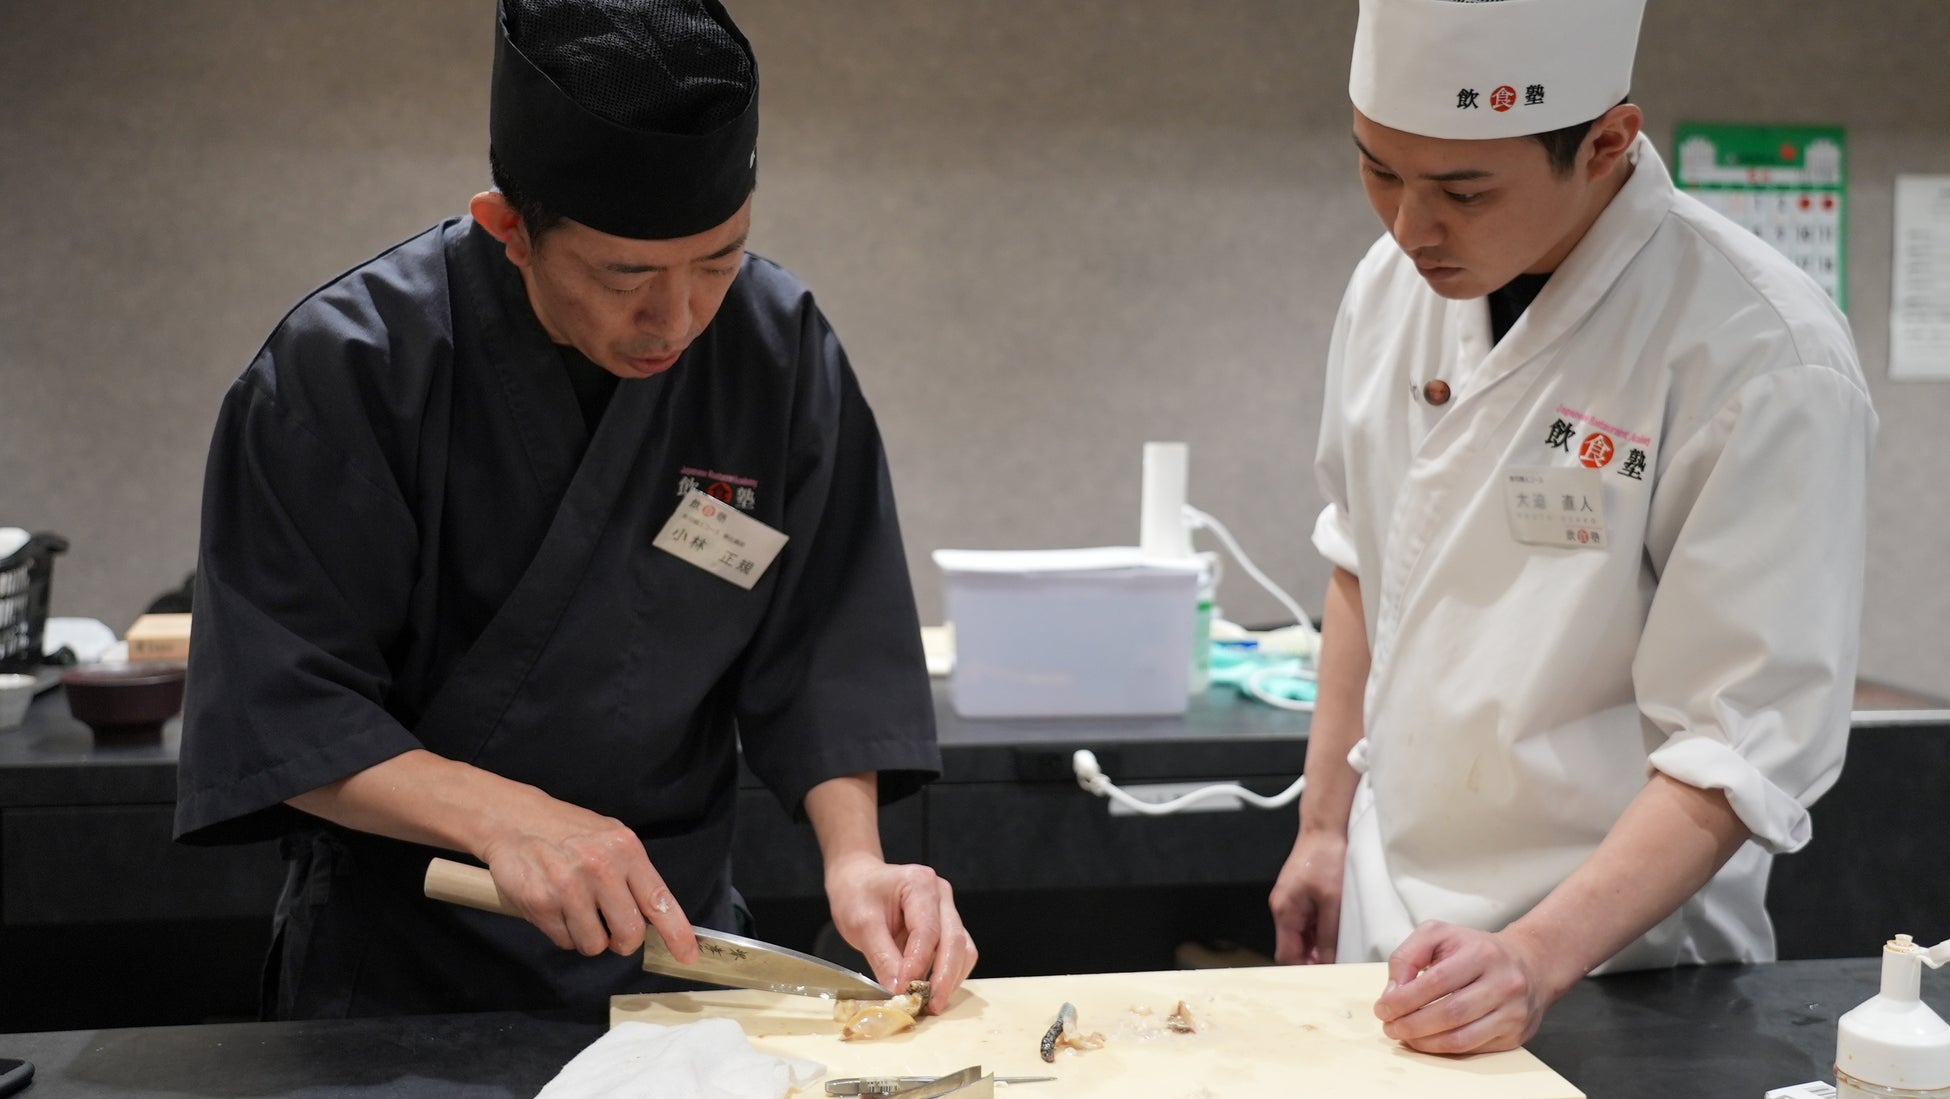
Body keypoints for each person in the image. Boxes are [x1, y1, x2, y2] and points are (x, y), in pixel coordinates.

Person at [175, 0, 975, 1019]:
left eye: (719, 260)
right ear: (509, 228)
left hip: (676, 955)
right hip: (405, 968)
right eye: (626, 274)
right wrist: (508, 817)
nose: (678, 318)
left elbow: (827, 648)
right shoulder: (353, 365)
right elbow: (282, 708)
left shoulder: (779, 347)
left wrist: (857, 861)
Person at [1268, 0, 1875, 1055]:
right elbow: (1362, 562)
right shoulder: (1389, 291)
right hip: (1394, 918)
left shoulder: (1760, 354)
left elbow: (1734, 746)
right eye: (1379, 169)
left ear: (1606, 145)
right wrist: (1323, 829)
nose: (1411, 227)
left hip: (1624, 972)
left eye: (1462, 190)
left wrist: (1537, 955)